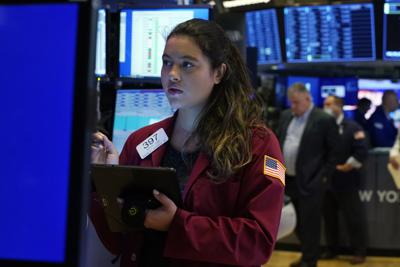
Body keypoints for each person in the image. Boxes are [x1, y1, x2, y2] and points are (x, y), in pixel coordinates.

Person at [90, 19, 285, 267]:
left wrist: (177, 224)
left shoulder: (256, 144)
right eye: (167, 62)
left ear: (219, 73)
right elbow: (116, 239)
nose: (172, 74)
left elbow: (257, 243)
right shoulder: (140, 142)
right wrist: (101, 180)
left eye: (187, 65)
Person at [276, 83, 339, 267]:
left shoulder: (323, 119)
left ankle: (310, 261)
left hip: (311, 181)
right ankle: (307, 255)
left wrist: (323, 176)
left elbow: (334, 152)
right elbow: (279, 143)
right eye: (291, 103)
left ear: (308, 99)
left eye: (296, 103)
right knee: (296, 223)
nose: (293, 107)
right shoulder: (286, 116)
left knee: (310, 224)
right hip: (288, 180)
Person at [322, 96, 368, 265]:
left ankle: (359, 251)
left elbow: (362, 151)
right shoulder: (323, 126)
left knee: (353, 218)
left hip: (347, 180)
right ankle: (331, 249)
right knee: (329, 218)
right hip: (328, 180)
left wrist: (348, 165)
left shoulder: (352, 127)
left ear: (339, 106)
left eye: (328, 104)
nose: (325, 107)